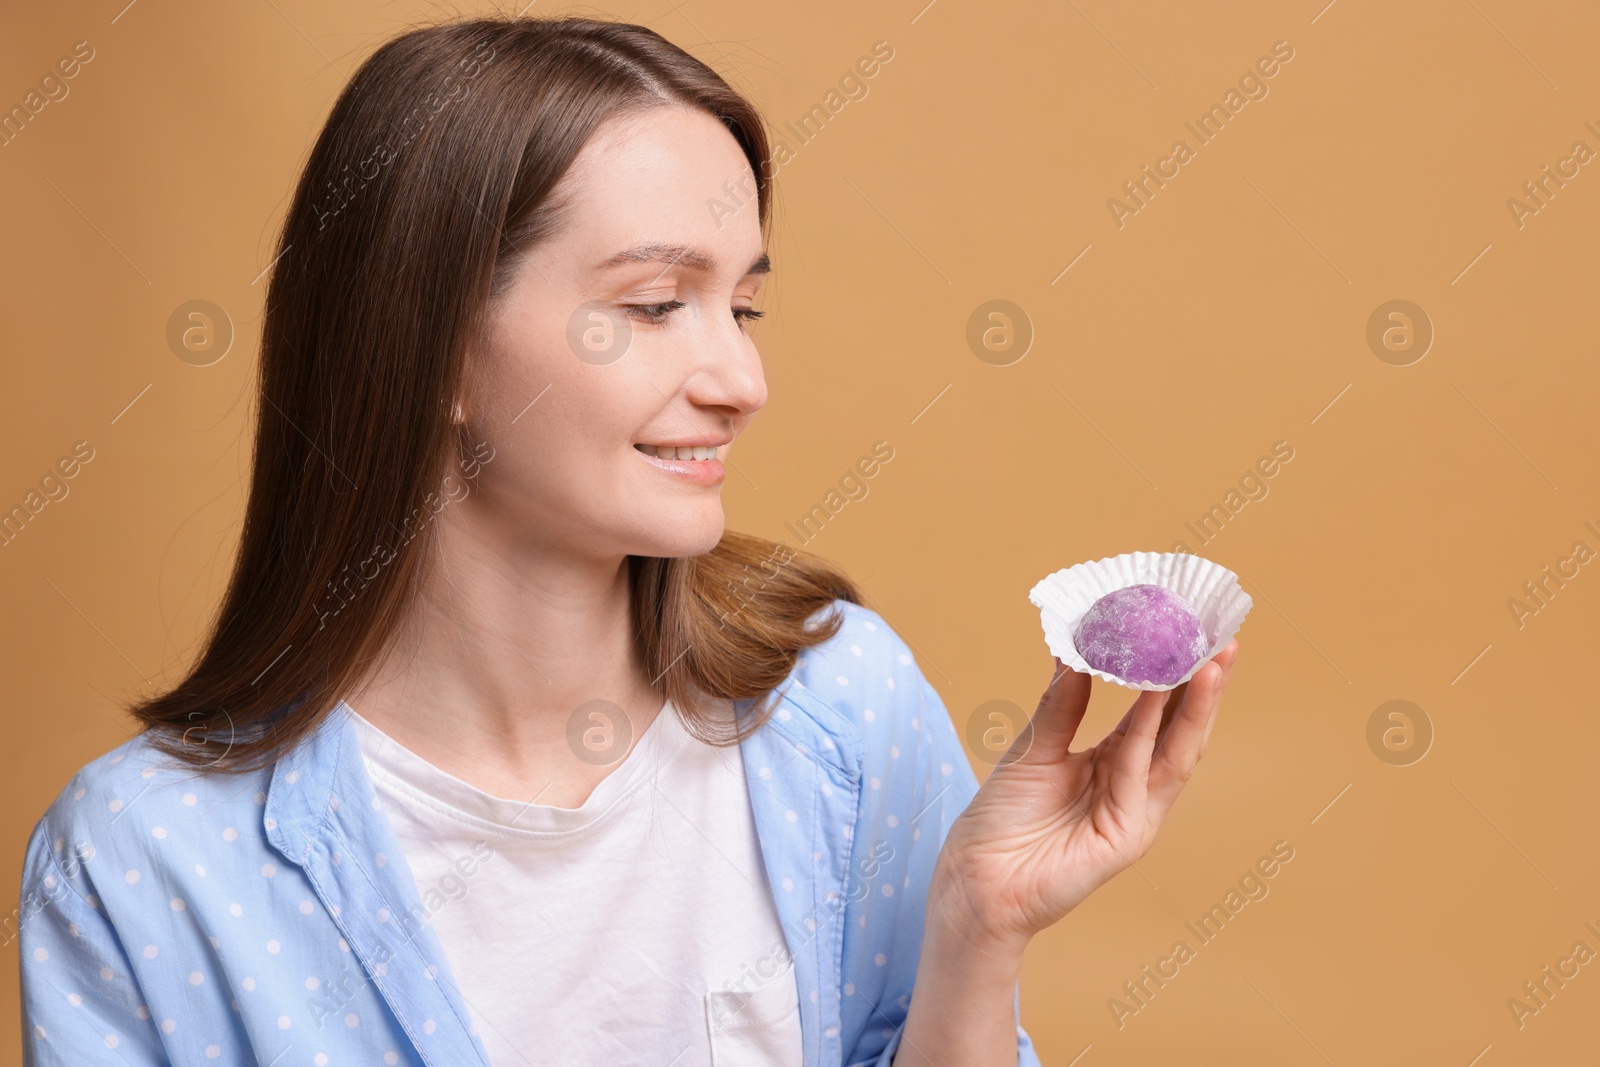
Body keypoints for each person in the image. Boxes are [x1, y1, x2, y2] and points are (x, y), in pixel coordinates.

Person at [17, 14, 1238, 1066]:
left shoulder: (840, 707)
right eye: (655, 306)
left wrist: (977, 926)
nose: (741, 377)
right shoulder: (145, 864)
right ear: (431, 341)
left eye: (744, 304)